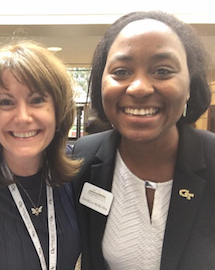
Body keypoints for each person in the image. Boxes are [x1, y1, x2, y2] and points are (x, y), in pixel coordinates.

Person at [72, 11, 215, 270]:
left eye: (162, 71)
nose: (139, 88)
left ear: (190, 86)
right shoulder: (84, 159)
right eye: (122, 71)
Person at [0, 40, 82, 269]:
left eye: (36, 100)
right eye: (6, 102)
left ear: (58, 109)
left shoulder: (78, 172)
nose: (23, 117)